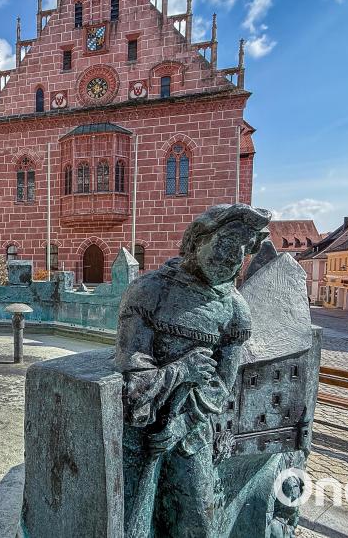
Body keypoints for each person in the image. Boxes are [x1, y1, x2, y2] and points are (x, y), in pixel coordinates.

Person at [115, 204, 271, 537]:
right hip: (141, 434)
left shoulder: (234, 310)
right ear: (198, 240)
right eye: (228, 243)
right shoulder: (150, 291)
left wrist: (181, 424)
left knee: (197, 521)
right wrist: (182, 370)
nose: (234, 258)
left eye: (244, 250)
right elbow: (135, 376)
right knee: (132, 523)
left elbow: (220, 385)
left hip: (191, 432)